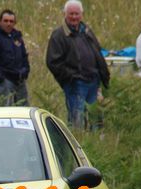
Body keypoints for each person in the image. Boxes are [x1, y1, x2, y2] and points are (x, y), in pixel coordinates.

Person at [46, 0, 109, 130]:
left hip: (93, 81)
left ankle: (94, 145)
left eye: (77, 14)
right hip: (76, 84)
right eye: (71, 14)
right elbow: (53, 62)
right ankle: (77, 144)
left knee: (94, 118)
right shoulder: (59, 35)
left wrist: (102, 74)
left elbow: (98, 52)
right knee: (77, 120)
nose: (74, 17)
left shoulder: (86, 31)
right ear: (65, 14)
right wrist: (71, 77)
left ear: (82, 14)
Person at [0, 9, 30, 106]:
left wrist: (25, 71)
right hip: (4, 80)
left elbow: (24, 56)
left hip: (20, 80)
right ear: (0, 22)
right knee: (4, 109)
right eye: (6, 21)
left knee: (23, 110)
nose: (8, 24)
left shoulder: (17, 38)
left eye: (11, 21)